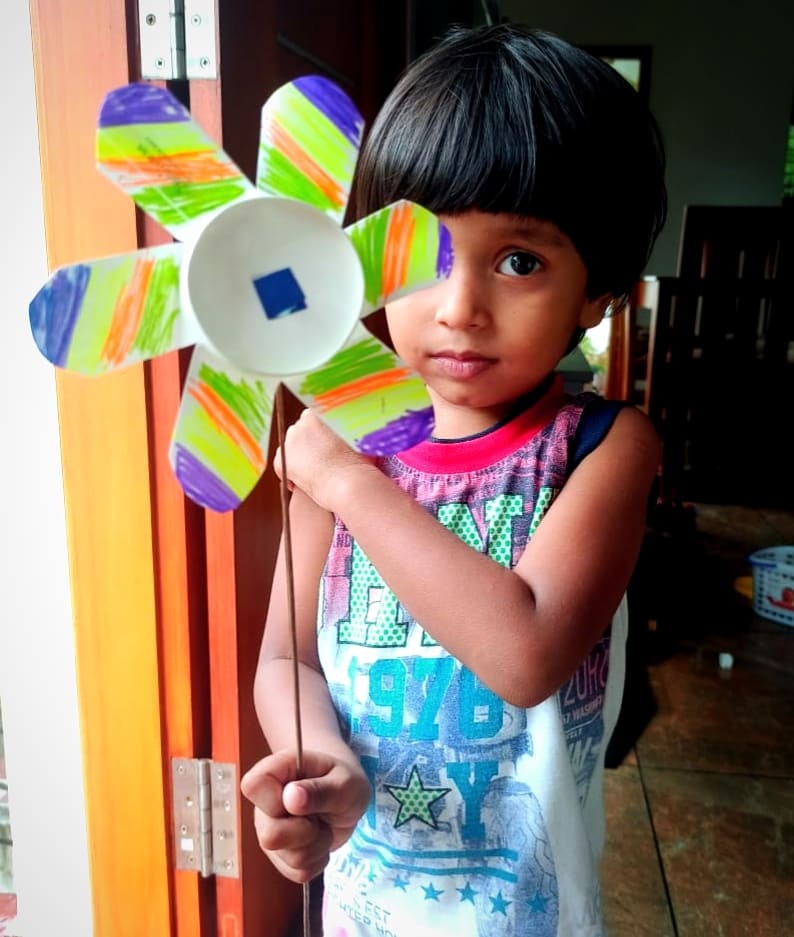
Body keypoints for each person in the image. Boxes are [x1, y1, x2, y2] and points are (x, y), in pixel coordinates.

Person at [241, 22, 667, 937]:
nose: (461, 306)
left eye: (520, 260)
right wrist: (315, 761)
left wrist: (353, 488)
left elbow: (524, 655)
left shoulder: (603, 448)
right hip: (363, 905)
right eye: (424, 253)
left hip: (529, 917)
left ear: (597, 293)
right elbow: (287, 656)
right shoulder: (345, 440)